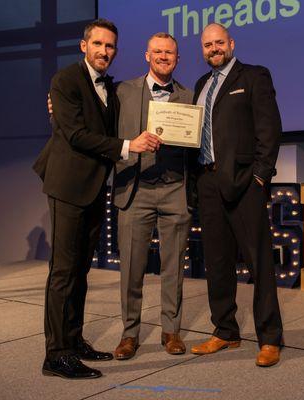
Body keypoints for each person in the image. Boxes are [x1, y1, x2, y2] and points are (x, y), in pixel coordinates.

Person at [33, 19, 161, 379]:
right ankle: (55, 355)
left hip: (92, 188)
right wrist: (128, 146)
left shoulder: (108, 87)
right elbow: (75, 134)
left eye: (111, 47)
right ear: (83, 45)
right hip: (67, 186)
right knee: (62, 272)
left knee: (80, 271)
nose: (105, 51)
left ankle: (72, 341)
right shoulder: (66, 81)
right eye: (99, 44)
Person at [188, 23, 284, 367]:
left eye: (219, 43)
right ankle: (225, 330)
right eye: (207, 45)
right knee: (217, 263)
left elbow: (269, 130)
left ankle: (270, 338)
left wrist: (260, 176)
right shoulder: (201, 85)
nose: (214, 48)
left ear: (231, 43)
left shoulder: (255, 76)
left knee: (259, 264)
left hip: (245, 184)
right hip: (208, 183)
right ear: (203, 49)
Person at [112, 32, 193, 360]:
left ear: (177, 58)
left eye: (169, 53)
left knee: (174, 266)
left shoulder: (188, 97)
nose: (163, 57)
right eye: (157, 52)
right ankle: (130, 333)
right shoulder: (122, 91)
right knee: (131, 266)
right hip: (135, 187)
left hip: (175, 188)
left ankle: (170, 331)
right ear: (147, 55)